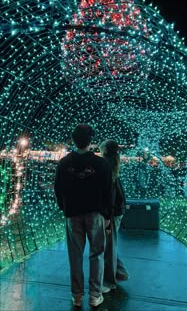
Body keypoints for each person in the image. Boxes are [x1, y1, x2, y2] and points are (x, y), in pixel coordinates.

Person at [54, 124, 113, 308]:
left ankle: (77, 296)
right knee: (97, 253)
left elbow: (58, 188)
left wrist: (64, 207)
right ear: (91, 142)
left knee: (75, 255)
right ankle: (95, 295)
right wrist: (108, 215)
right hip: (95, 214)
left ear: (73, 140)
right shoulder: (101, 164)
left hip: (72, 214)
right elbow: (108, 191)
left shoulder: (64, 163)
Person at [99, 139, 130, 290]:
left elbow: (109, 196)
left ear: (105, 150)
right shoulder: (112, 164)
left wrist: (106, 218)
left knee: (108, 246)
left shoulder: (106, 166)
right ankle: (120, 272)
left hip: (112, 212)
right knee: (109, 244)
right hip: (117, 210)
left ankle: (109, 281)